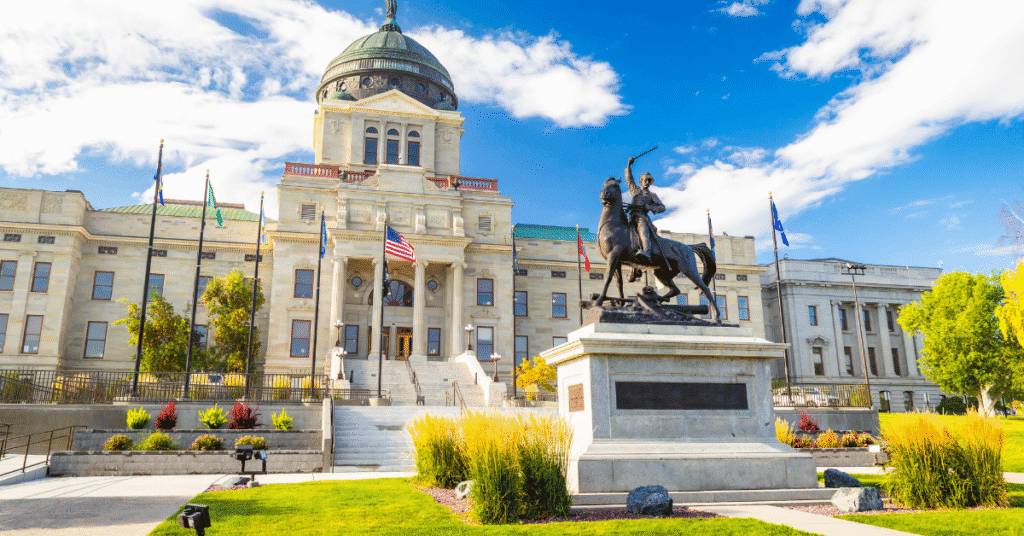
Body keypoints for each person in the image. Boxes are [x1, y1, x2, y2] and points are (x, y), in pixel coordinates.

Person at [625, 156, 666, 263]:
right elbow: (629, 179)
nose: (647, 182)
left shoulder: (652, 195)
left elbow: (662, 207)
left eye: (649, 180)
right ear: (641, 181)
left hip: (642, 217)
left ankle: (646, 252)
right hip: (631, 216)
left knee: (643, 232)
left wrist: (650, 207)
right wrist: (629, 165)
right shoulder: (635, 190)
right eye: (645, 180)